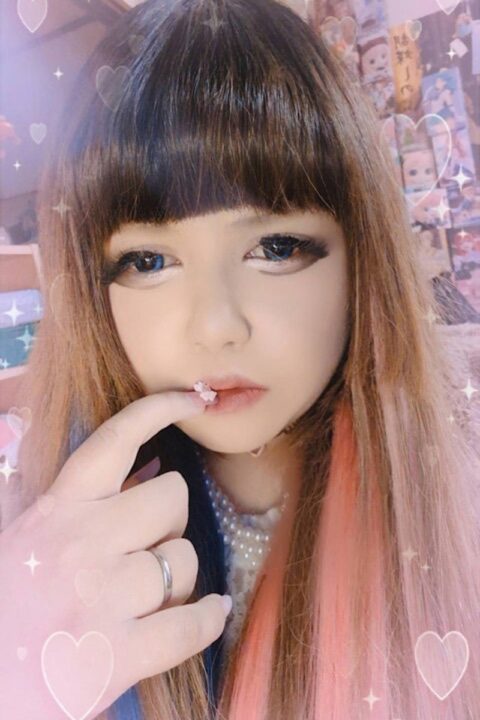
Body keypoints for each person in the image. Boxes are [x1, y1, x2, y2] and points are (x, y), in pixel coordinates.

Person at [1, 1, 479, 719]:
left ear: (361, 254)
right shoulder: (44, 536)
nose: (216, 327)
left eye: (276, 247)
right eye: (149, 260)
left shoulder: (455, 509)